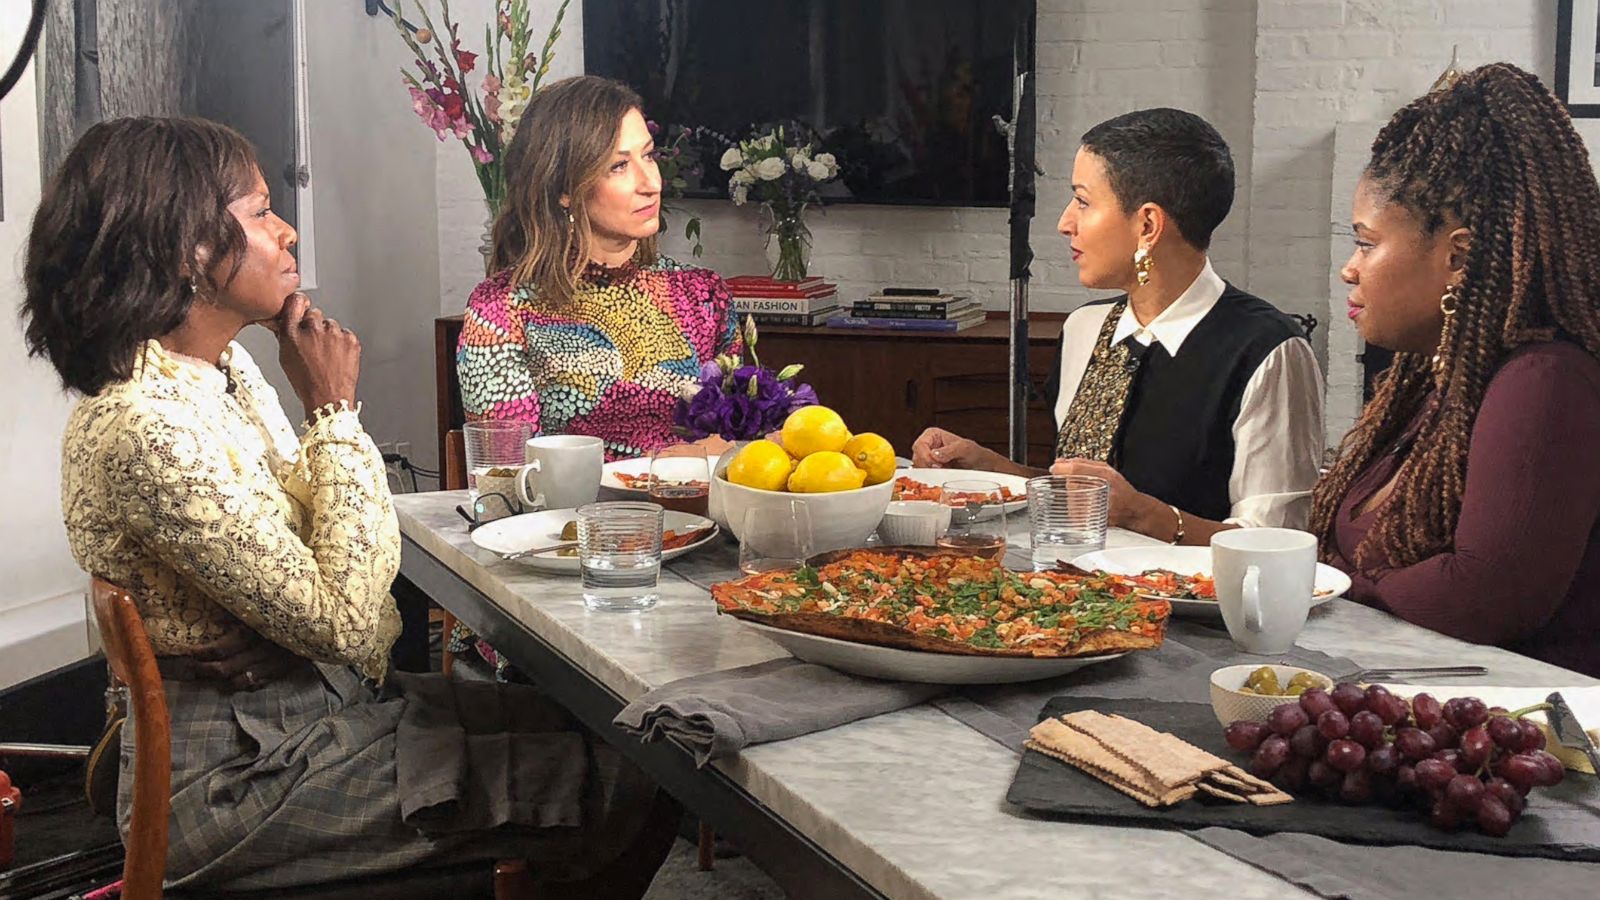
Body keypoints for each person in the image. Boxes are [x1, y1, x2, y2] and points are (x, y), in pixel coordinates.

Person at [23, 116, 675, 895]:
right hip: (245, 774)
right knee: (625, 780)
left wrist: (306, 636)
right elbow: (353, 622)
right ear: (188, 250)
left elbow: (326, 577)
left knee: (634, 740)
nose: (288, 230)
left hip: (312, 711)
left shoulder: (223, 370)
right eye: (261, 211)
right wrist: (333, 410)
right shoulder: (144, 426)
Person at [913, 108, 1324, 545]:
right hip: (1069, 595)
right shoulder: (1085, 329)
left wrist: (1142, 515)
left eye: (1083, 201)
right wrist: (991, 469)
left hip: (1191, 610)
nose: (1065, 222)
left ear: (1147, 224)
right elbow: (1086, 497)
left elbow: (1276, 545)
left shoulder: (1268, 351)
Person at [1311, 63, 1600, 678]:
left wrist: (1332, 588)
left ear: (1460, 256)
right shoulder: (1443, 378)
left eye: (1365, 242)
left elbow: (1486, 596)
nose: (1349, 268)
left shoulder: (1545, 381)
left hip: (1537, 738)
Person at [456, 75, 741, 463]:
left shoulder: (703, 296)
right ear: (564, 189)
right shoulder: (501, 311)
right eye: (619, 166)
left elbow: (743, 444)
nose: (651, 183)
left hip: (698, 518)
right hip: (563, 523)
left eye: (649, 155)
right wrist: (672, 463)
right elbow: (509, 476)